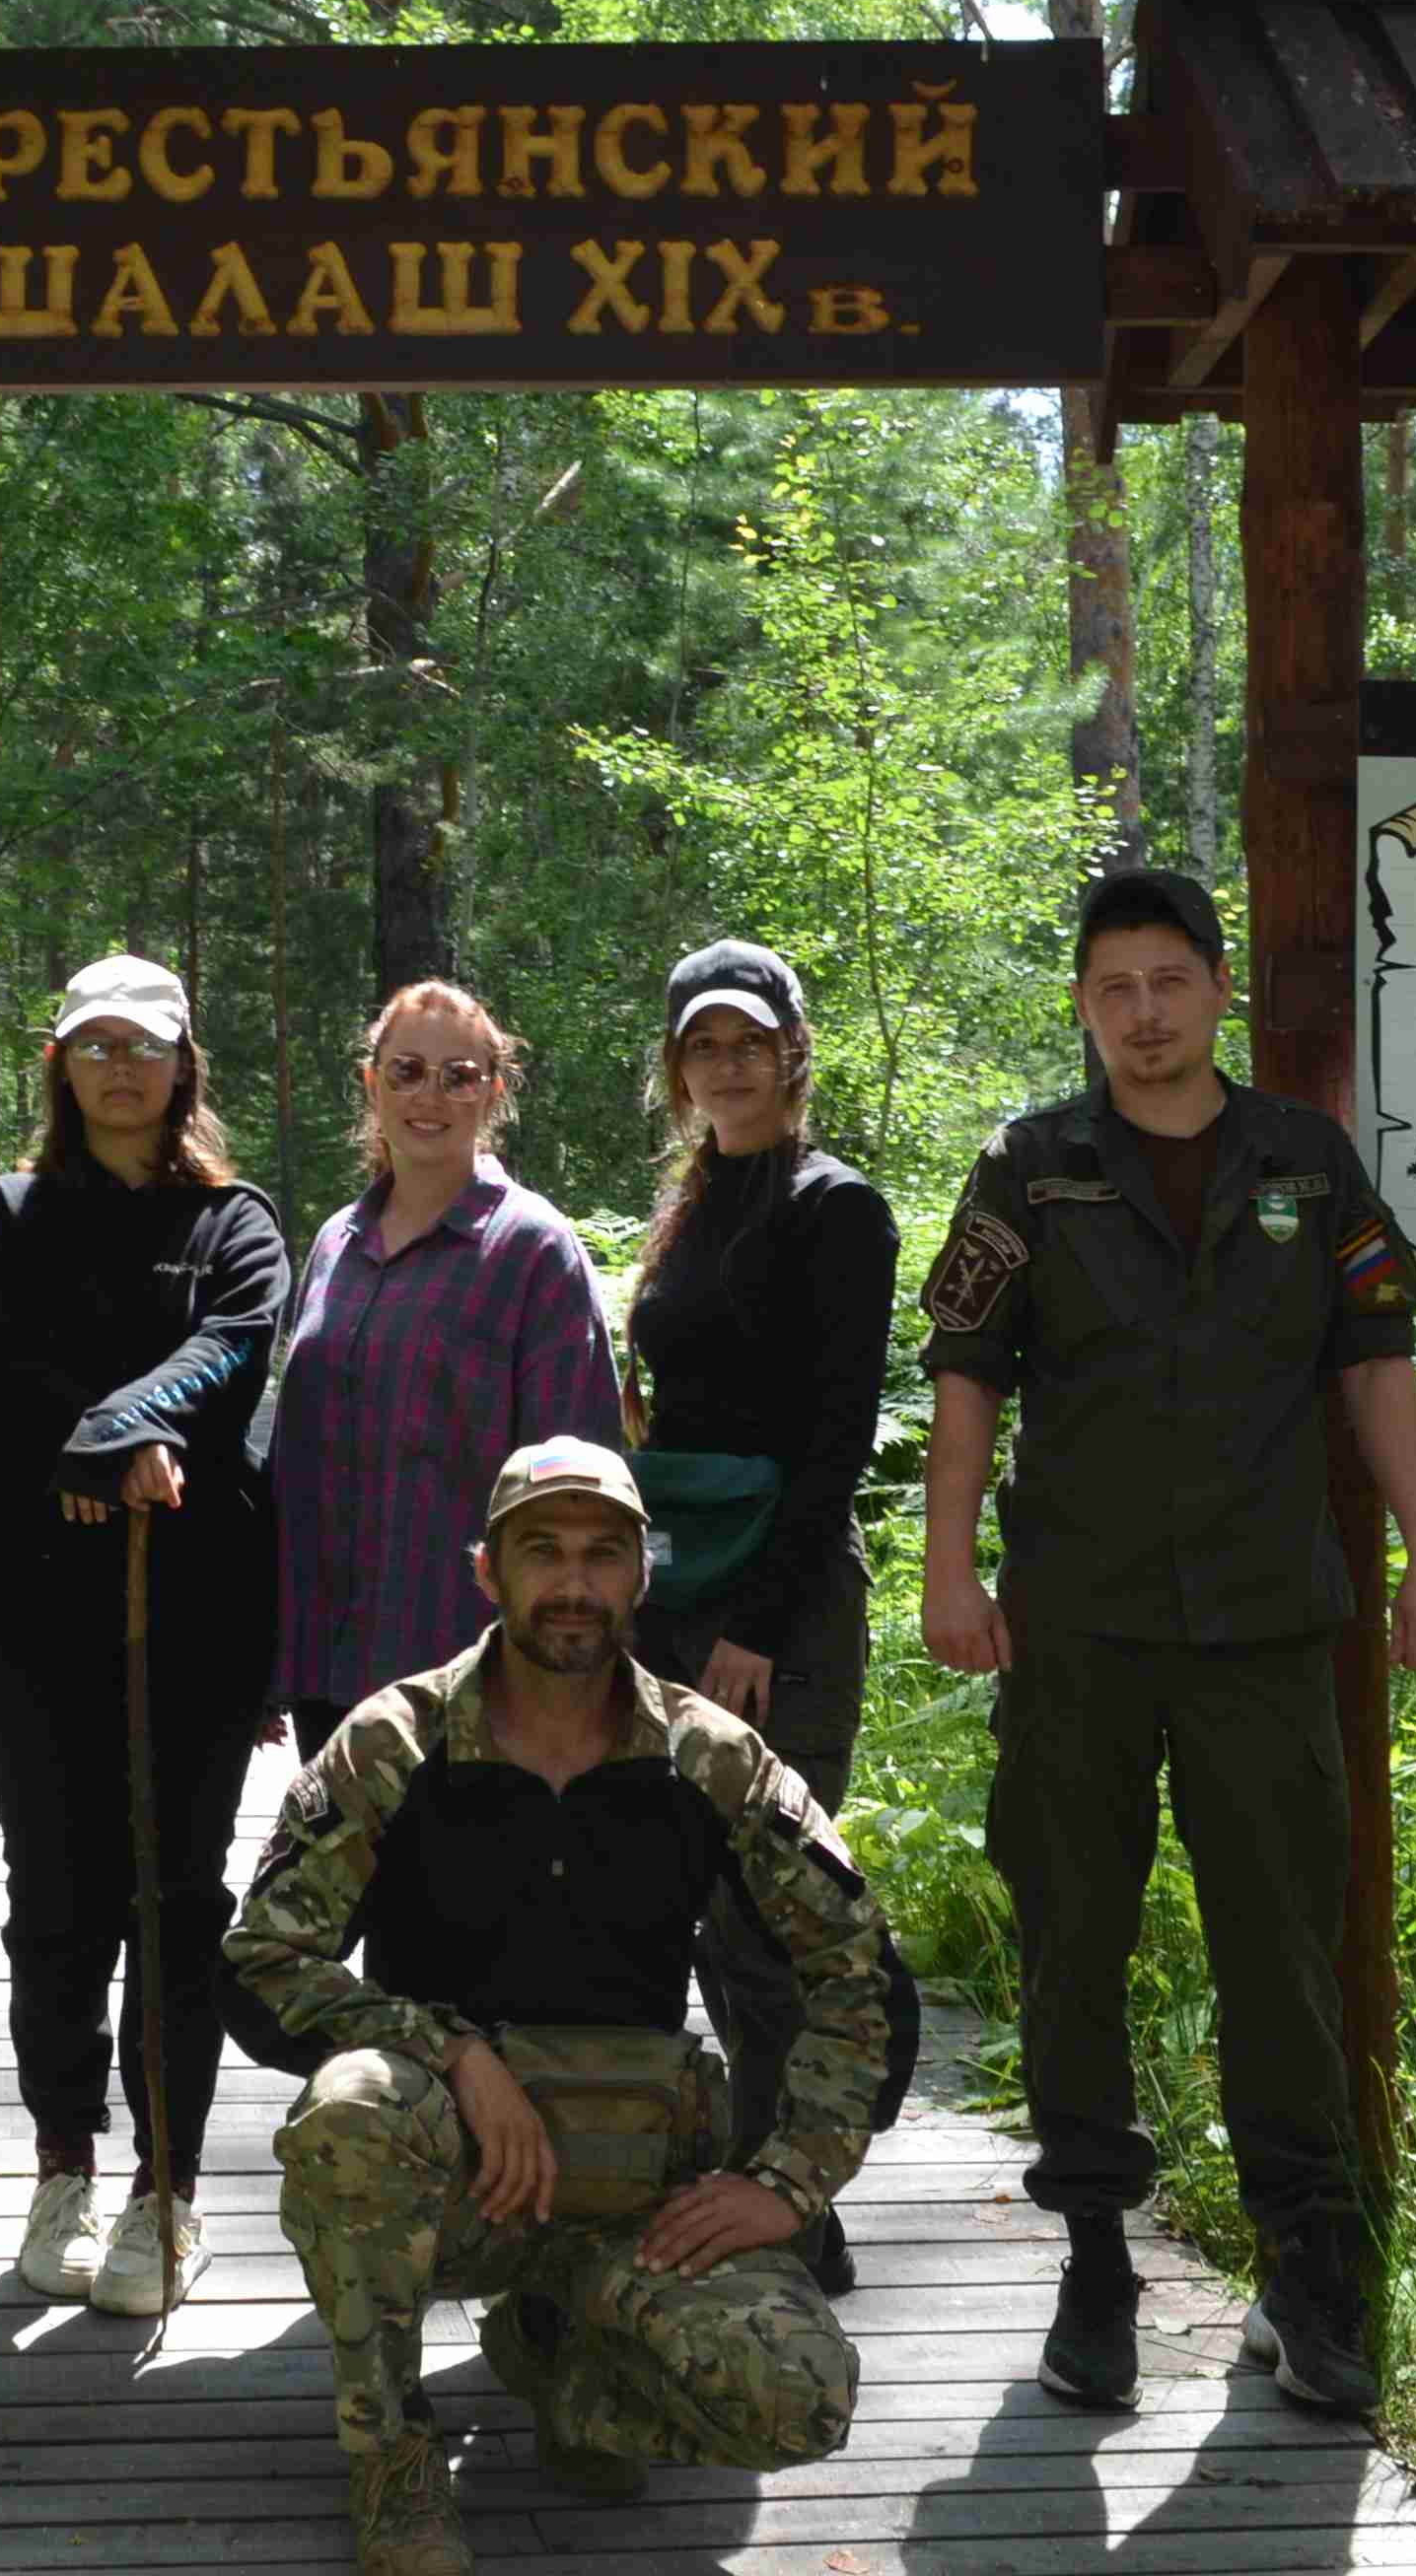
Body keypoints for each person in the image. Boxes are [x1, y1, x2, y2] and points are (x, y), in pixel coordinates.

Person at [916, 862, 1416, 2425]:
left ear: (1219, 990)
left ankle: (1306, 2272)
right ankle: (1097, 2261)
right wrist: (949, 1572)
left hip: (1263, 1624)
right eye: (1114, 990)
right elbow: (966, 1375)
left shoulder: (1306, 1160)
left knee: (1282, 1955)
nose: (1144, 1014)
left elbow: (1376, 1364)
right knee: (1072, 1943)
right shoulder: (1031, 1168)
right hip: (1078, 1630)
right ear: (1083, 1008)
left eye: (1168, 982)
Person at [226, 1437, 886, 2576]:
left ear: (642, 1575)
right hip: (446, 2182)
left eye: (601, 1554)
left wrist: (789, 2179)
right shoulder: (394, 1743)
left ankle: (570, 2370)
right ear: (488, 1571)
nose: (572, 1584)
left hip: (633, 2191)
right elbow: (258, 1964)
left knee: (799, 2397)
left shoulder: (710, 1758)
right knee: (352, 2112)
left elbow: (859, 1969)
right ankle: (392, 2455)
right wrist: (450, 2053)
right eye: (542, 1552)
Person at [0, 955, 291, 2322]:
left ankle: (170, 2187)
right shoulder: (1, 1215)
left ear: (182, 1063)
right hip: (30, 1604)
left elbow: (236, 1341)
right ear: (61, 1064)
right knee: (55, 1892)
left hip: (196, 1605)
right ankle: (64, 2165)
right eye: (95, 1046)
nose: (120, 1068)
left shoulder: (233, 1220)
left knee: (176, 1897)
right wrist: (99, 1438)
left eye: (143, 1047)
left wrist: (119, 1426)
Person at [619, 937, 902, 2298]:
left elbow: (835, 1438)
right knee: (692, 1903)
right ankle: (750, 2190)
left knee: (767, 1911)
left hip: (777, 1607)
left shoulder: (834, 1207)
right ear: (678, 1068)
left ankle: (793, 2205)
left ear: (794, 1051)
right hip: (675, 1597)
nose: (726, 1065)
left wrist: (758, 1624)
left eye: (748, 1041)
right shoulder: (693, 1202)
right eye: (703, 1046)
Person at [260, 981, 622, 1749]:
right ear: (372, 1083)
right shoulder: (336, 1244)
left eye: (458, 1076)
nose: (430, 1096)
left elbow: (576, 1486)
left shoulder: (533, 1250)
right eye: (407, 1071)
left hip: (468, 1678)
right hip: (329, 1665)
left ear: (493, 1091)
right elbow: (296, 1465)